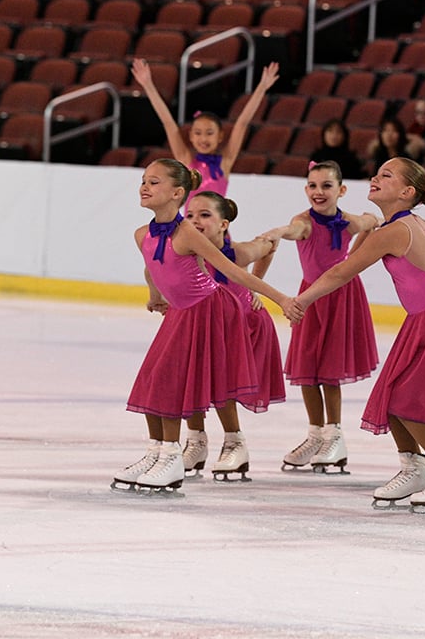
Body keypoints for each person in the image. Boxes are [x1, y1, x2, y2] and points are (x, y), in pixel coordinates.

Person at [286, 157, 425, 511]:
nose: (375, 177)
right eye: (377, 173)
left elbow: (341, 272)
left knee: (406, 399)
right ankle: (414, 469)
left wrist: (301, 300)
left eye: (386, 175)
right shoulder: (414, 222)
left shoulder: (394, 231)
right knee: (393, 394)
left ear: (406, 191)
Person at [111, 159, 292, 494]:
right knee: (152, 378)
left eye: (154, 182)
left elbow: (234, 271)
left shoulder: (187, 234)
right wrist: (155, 296)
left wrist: (279, 298)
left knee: (170, 380)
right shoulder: (142, 234)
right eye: (143, 181)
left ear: (177, 193)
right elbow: (153, 267)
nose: (144, 187)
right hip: (181, 310)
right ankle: (157, 453)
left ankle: (171, 458)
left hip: (208, 308)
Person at [261, 161, 380, 474]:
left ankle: (335, 435)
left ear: (341, 190)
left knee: (330, 370)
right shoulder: (303, 222)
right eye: (313, 186)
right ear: (306, 190)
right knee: (307, 366)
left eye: (326, 186)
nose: (318, 192)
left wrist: (356, 255)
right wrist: (278, 231)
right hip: (311, 299)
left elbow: (372, 221)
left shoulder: (347, 221)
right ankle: (316, 434)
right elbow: (293, 230)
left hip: (342, 297)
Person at [180, 191, 286, 481]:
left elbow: (270, 245)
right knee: (191, 374)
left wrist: (255, 286)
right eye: (190, 215)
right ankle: (196, 443)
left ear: (224, 224)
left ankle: (235, 443)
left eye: (204, 215)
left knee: (220, 380)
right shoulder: (184, 248)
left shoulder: (236, 253)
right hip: (204, 320)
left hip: (241, 324)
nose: (195, 221)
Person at [132, 59, 280, 198]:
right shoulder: (186, 161)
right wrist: (148, 85)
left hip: (217, 225)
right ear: (190, 136)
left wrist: (262, 87)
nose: (203, 139)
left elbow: (242, 123)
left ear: (220, 136)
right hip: (189, 226)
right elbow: (168, 123)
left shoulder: (225, 162)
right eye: (198, 133)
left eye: (209, 133)